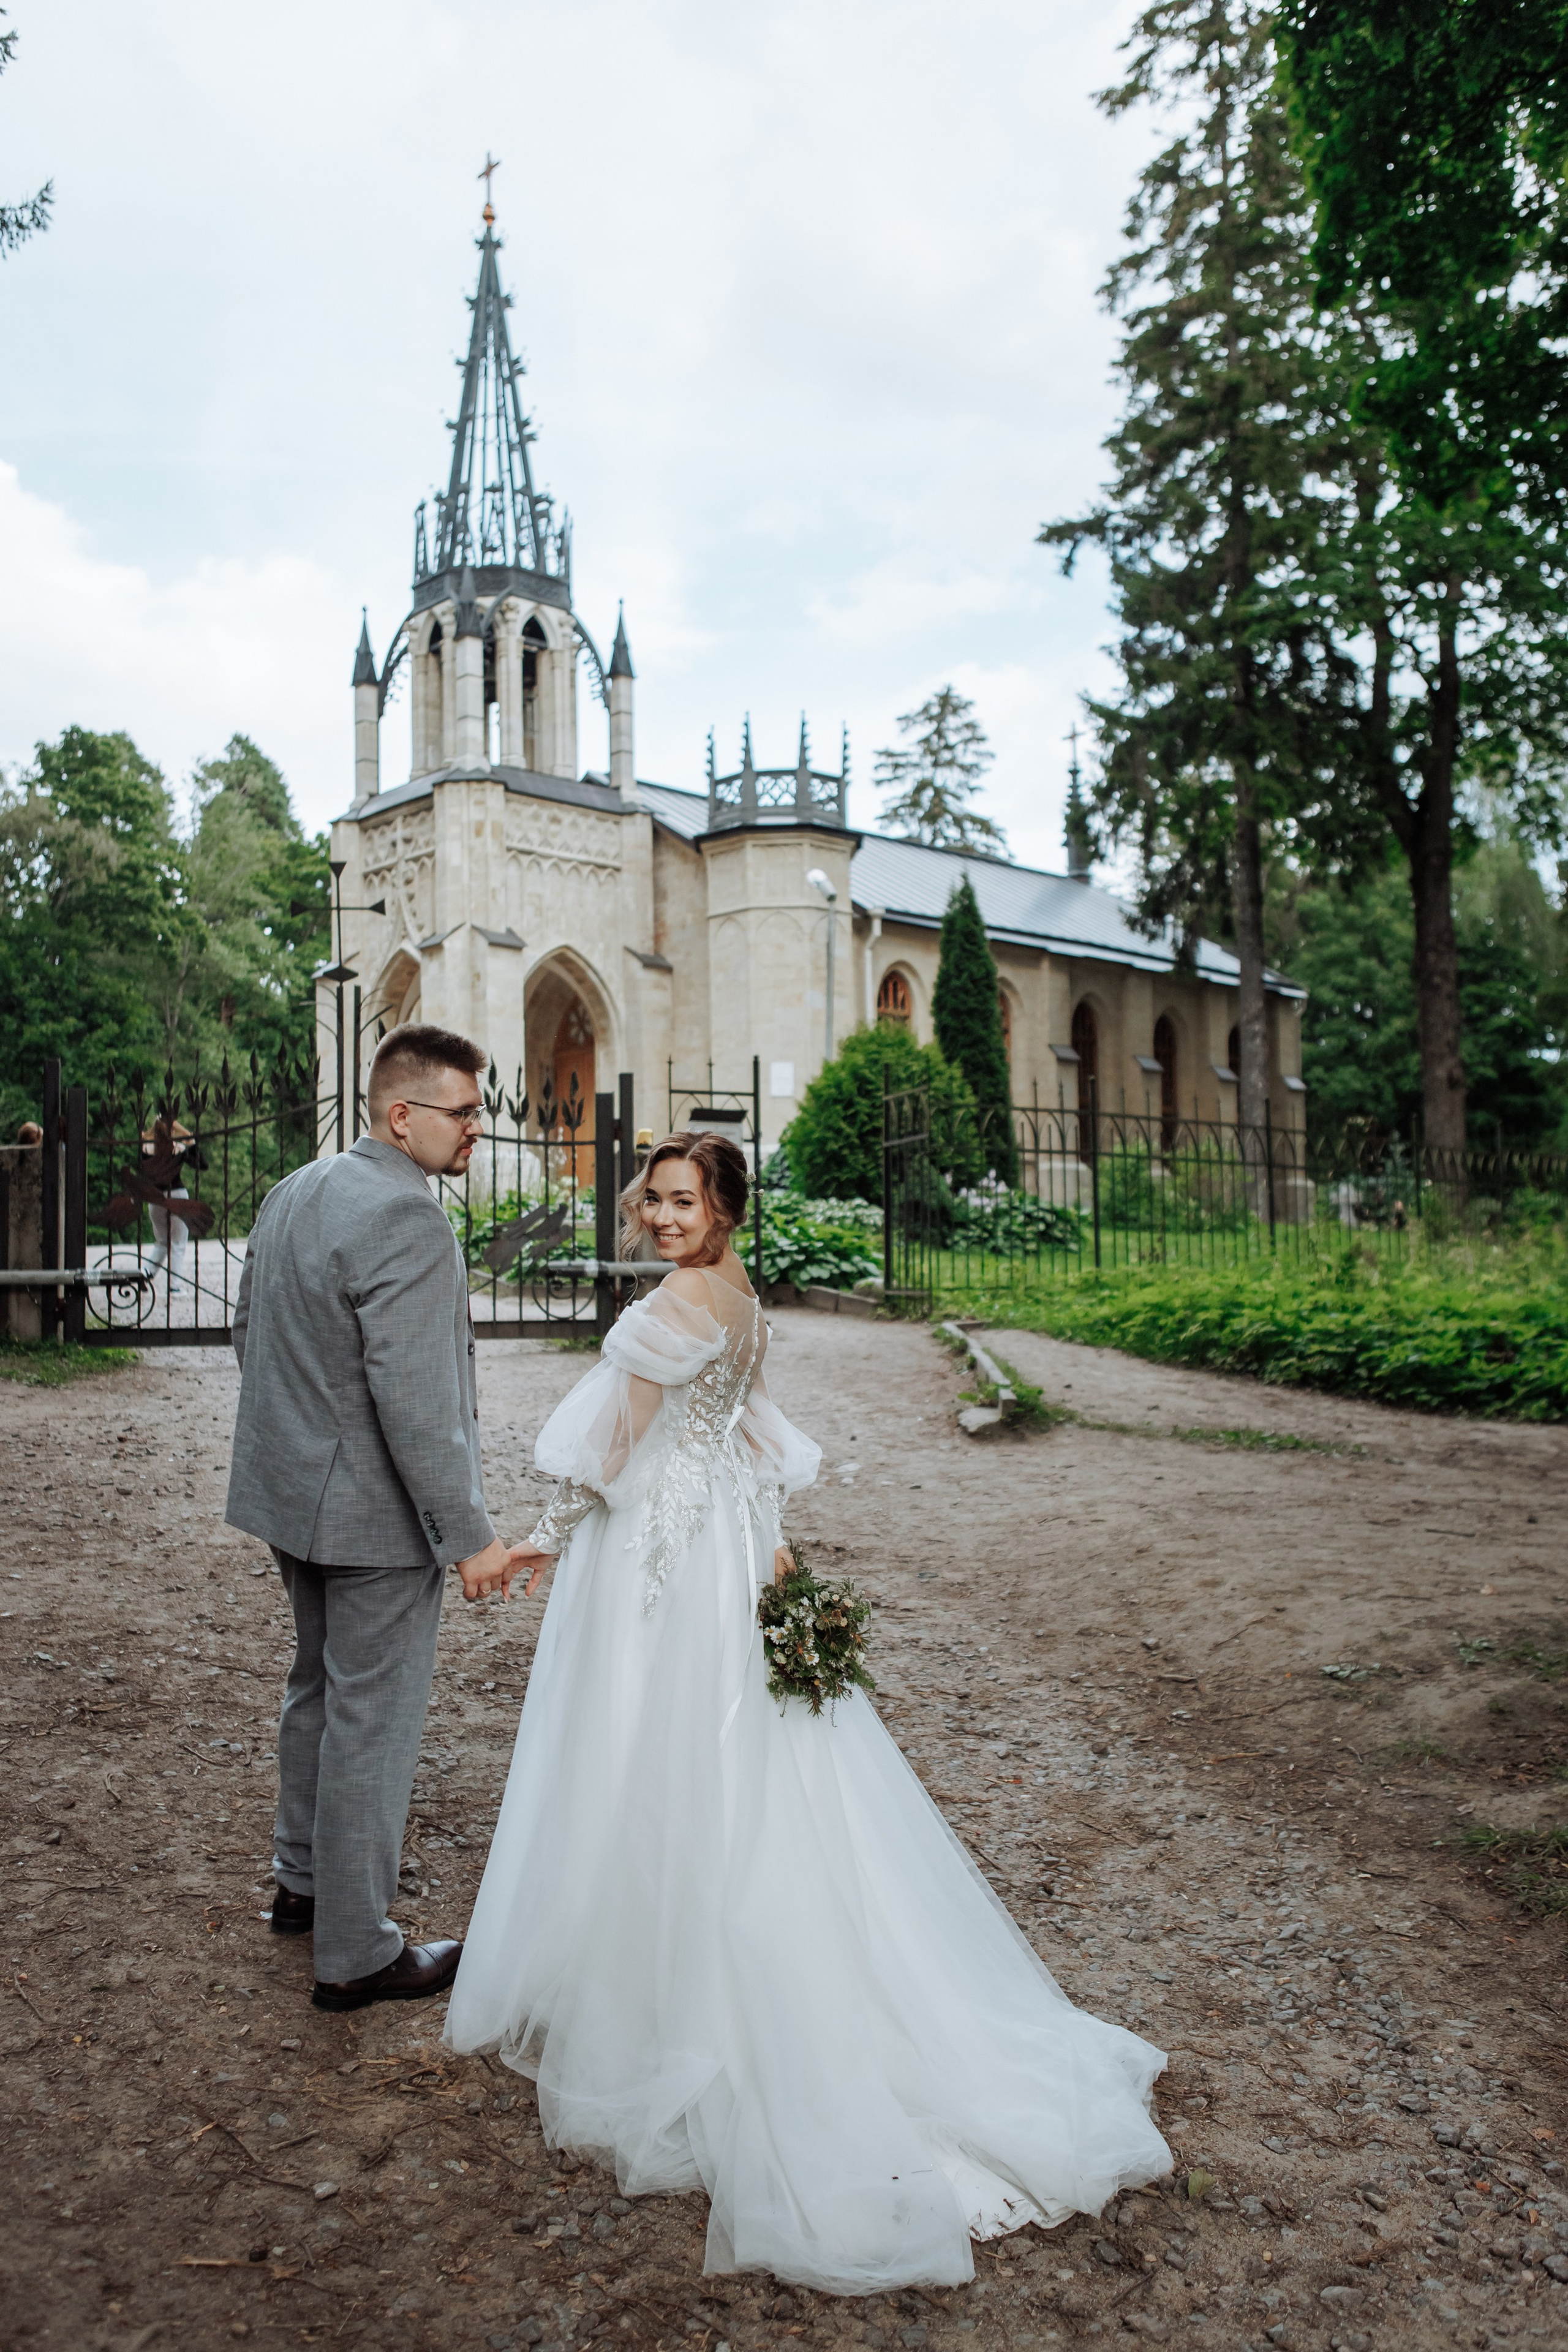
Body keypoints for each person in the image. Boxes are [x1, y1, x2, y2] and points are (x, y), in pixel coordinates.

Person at [447, 1131, 1170, 2294]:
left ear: (725, 1206)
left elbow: (615, 1449)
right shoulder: (742, 1298)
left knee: (651, 1749)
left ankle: (667, 1997)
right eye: (658, 1200)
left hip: (663, 1565)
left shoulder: (674, 1304)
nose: (667, 1216)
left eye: (687, 1201)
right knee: (737, 1754)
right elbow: (746, 1425)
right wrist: (771, 1535)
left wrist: (539, 1536)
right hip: (721, 1544)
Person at [226, 1023, 535, 2015]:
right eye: (465, 1112)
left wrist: (305, 1453)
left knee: (316, 1689)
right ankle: (356, 1953)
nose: (477, 1130)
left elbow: (250, 1334)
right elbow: (419, 1404)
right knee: (374, 1722)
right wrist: (472, 1540)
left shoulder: (295, 1190)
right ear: (403, 1116)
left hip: (291, 1501)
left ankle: (303, 1887)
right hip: (373, 1523)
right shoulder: (410, 1221)